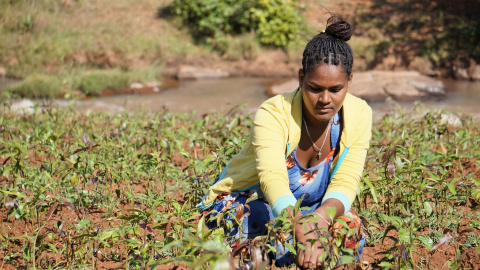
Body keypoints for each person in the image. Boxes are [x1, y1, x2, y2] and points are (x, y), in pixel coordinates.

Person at [197, 14, 372, 269]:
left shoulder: (359, 114)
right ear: (300, 78)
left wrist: (321, 220)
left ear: (349, 83)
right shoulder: (273, 113)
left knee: (349, 229)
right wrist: (300, 226)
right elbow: (272, 181)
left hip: (312, 209)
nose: (325, 99)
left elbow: (347, 182)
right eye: (314, 88)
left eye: (335, 89)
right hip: (252, 200)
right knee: (253, 222)